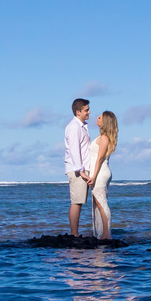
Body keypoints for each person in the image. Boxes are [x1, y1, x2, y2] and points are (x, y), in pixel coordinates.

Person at [85, 110, 118, 240]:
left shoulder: (104, 138)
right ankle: (100, 232)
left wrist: (93, 176)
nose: (97, 118)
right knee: (98, 203)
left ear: (105, 122)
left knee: (101, 203)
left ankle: (106, 234)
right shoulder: (101, 136)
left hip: (99, 173)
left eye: (100, 117)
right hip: (98, 172)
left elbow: (99, 159)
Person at [64, 98, 91, 235]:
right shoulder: (74, 127)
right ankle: (74, 234)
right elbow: (74, 150)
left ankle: (74, 233)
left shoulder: (81, 126)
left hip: (82, 169)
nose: (89, 112)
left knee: (79, 202)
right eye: (86, 110)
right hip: (77, 170)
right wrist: (80, 171)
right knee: (76, 202)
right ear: (78, 112)